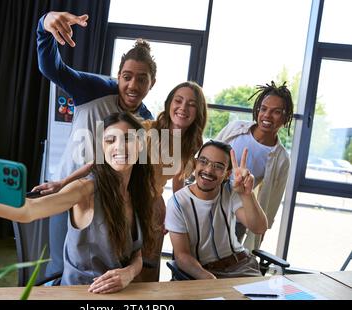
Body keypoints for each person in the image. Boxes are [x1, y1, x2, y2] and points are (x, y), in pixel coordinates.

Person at [0, 112, 156, 293]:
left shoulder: (137, 193)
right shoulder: (85, 190)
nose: (120, 147)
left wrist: (129, 273)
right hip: (79, 294)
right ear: (102, 148)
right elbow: (28, 211)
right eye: (110, 140)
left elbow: (136, 254)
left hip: (120, 295)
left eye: (128, 138)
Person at [34, 81, 208, 281]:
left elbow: (179, 183)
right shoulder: (147, 130)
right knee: (120, 261)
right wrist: (63, 182)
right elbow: (100, 160)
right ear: (169, 103)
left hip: (155, 207)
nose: (183, 108)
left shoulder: (191, 144)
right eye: (178, 100)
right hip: (133, 201)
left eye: (192, 104)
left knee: (148, 270)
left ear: (198, 111)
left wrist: (174, 215)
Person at [37, 11, 157, 278]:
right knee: (59, 269)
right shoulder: (94, 89)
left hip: (108, 201)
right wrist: (45, 26)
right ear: (118, 75)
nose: (132, 85)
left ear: (152, 82)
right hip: (71, 190)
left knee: (103, 270)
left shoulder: (145, 121)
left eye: (142, 78)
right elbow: (51, 68)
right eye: (127, 76)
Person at [165, 140, 268, 279]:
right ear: (195, 164)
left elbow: (259, 228)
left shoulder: (231, 190)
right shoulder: (178, 203)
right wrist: (209, 279)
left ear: (227, 174)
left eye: (218, 166)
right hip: (205, 272)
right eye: (203, 161)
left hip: (243, 265)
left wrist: (246, 194)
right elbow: (182, 256)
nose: (208, 170)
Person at [216, 81, 294, 251]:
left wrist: (258, 241)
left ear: (285, 117)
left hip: (237, 215)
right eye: (264, 108)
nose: (267, 115)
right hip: (207, 201)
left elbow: (270, 206)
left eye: (276, 112)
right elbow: (207, 156)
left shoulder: (281, 158)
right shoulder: (235, 129)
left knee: (224, 266)